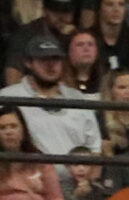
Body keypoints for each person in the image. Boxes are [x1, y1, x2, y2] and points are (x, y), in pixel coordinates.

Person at [1, 32, 103, 160]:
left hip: (77, 178)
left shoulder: (77, 98)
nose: (51, 65)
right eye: (43, 59)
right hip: (28, 176)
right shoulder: (7, 97)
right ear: (28, 63)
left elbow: (94, 148)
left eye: (55, 59)